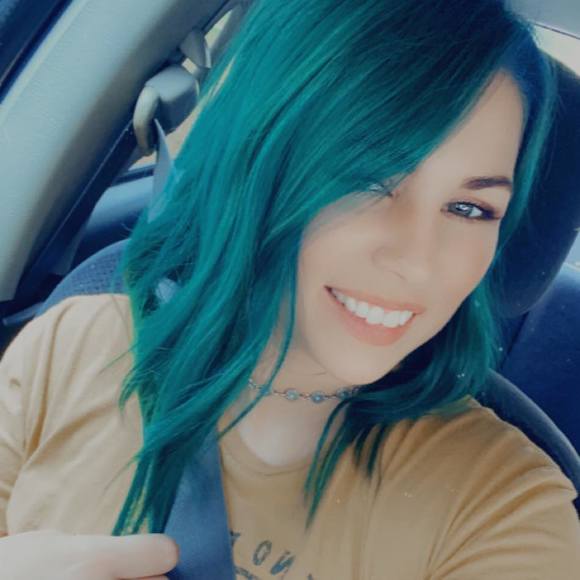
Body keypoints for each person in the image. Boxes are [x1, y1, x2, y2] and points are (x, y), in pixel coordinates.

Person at [0, 0, 579, 578]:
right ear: (257, 157)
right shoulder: (69, 347)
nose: (417, 262)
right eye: (366, 180)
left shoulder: (505, 510)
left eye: (469, 208)